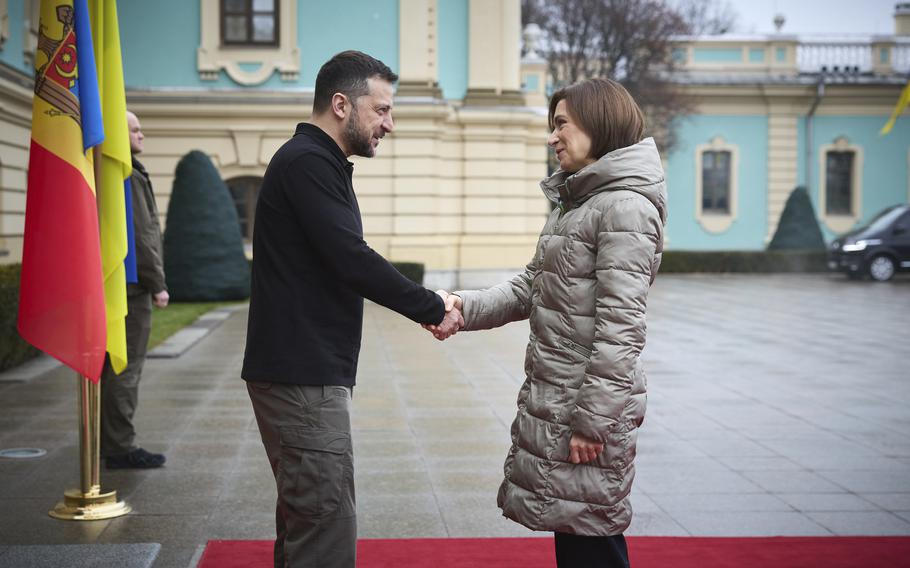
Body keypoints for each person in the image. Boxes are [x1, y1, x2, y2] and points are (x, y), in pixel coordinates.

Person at [430, 78, 667, 568]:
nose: (552, 136)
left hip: (584, 409)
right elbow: (529, 287)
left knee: (591, 538)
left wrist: (593, 422)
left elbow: (621, 329)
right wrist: (460, 306)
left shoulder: (623, 207)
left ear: (597, 125)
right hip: (560, 400)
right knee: (576, 530)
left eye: (561, 124)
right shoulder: (580, 203)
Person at [241, 50, 462, 568]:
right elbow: (350, 258)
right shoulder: (307, 162)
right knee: (325, 533)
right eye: (381, 110)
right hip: (301, 379)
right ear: (341, 104)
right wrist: (431, 304)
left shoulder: (317, 162)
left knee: (308, 522)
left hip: (301, 372)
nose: (390, 123)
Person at [100, 110, 170, 469]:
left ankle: (108, 440)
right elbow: (143, 235)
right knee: (124, 369)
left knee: (109, 369)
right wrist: (157, 284)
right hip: (131, 288)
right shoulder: (129, 174)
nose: (142, 135)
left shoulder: (108, 168)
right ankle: (118, 447)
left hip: (112, 285)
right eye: (135, 129)